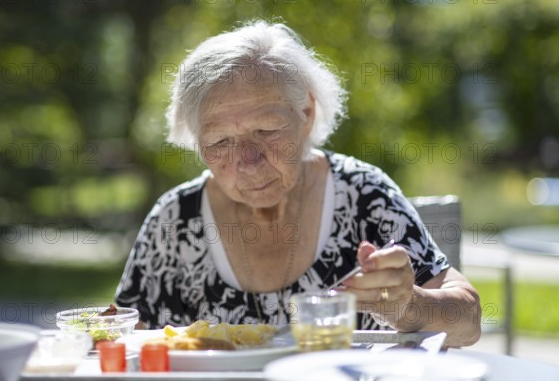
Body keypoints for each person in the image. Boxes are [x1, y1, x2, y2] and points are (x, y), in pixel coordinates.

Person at [115, 20, 481, 347]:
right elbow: (119, 340)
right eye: (220, 142)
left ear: (306, 113)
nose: (248, 162)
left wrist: (410, 304)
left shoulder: (365, 196)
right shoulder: (176, 219)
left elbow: (468, 321)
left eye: (267, 131)